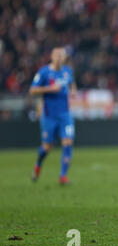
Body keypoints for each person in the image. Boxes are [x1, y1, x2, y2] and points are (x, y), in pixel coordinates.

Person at [29, 47, 77, 185]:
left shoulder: (67, 71)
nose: (59, 57)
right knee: (47, 147)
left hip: (65, 115)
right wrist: (50, 89)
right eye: (56, 55)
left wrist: (73, 91)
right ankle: (38, 164)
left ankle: (63, 176)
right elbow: (32, 90)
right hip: (49, 115)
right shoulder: (44, 72)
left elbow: (72, 83)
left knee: (68, 142)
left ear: (64, 57)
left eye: (61, 55)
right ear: (51, 56)